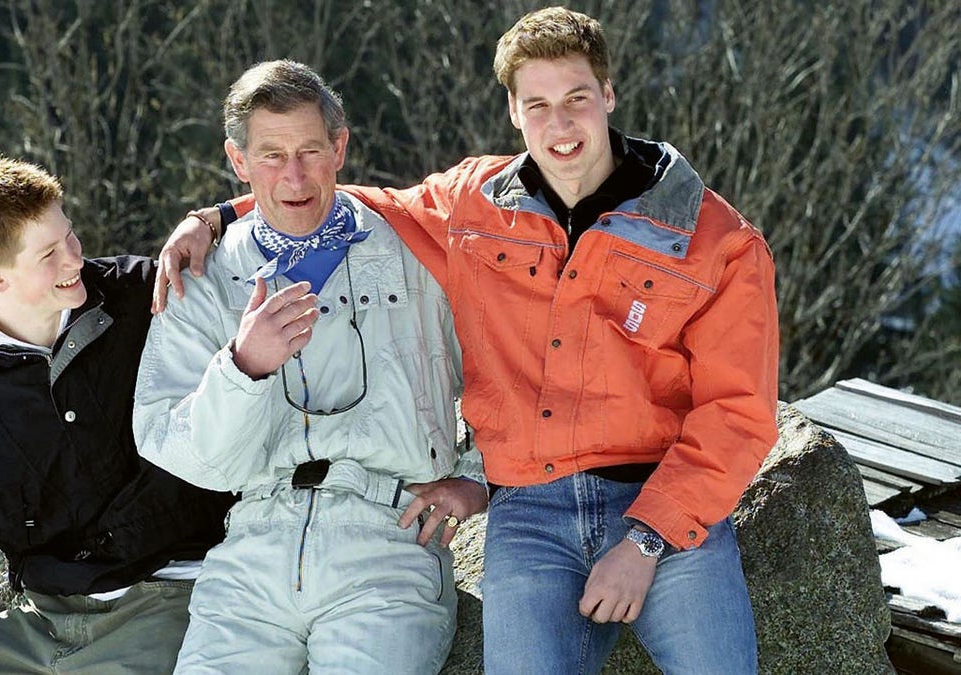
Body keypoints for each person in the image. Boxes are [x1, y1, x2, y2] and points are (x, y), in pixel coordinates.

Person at [158, 7, 779, 674]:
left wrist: (648, 540)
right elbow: (346, 201)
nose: (559, 124)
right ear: (514, 112)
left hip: (661, 498)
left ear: (608, 95)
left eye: (576, 98)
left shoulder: (715, 239)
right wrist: (217, 215)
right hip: (532, 510)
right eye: (536, 104)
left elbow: (736, 413)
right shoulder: (474, 206)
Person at [132, 60, 488, 674]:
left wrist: (479, 476)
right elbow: (181, 450)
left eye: (310, 151)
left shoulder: (418, 249)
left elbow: (511, 364)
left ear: (340, 147)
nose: (293, 176)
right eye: (270, 155)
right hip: (250, 550)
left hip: (390, 542)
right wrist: (244, 369)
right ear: (237, 161)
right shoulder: (202, 278)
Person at [0, 158, 237, 674]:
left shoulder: (147, 298)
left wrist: (217, 217)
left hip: (165, 598)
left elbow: (295, 216)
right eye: (49, 254)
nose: (75, 259)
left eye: (69, 236)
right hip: (37, 622)